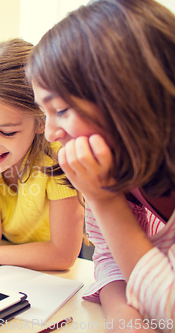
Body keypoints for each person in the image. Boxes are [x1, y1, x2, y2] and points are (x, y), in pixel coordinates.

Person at [28, 0, 175, 331]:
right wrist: (123, 314)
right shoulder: (109, 164)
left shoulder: (101, 182)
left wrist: (104, 200)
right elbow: (109, 256)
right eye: (44, 112)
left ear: (127, 96)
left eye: (62, 109)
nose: (50, 132)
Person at [0, 38, 84, 271]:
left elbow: (63, 256)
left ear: (42, 121)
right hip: (6, 265)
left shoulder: (58, 156)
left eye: (7, 132)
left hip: (49, 273)